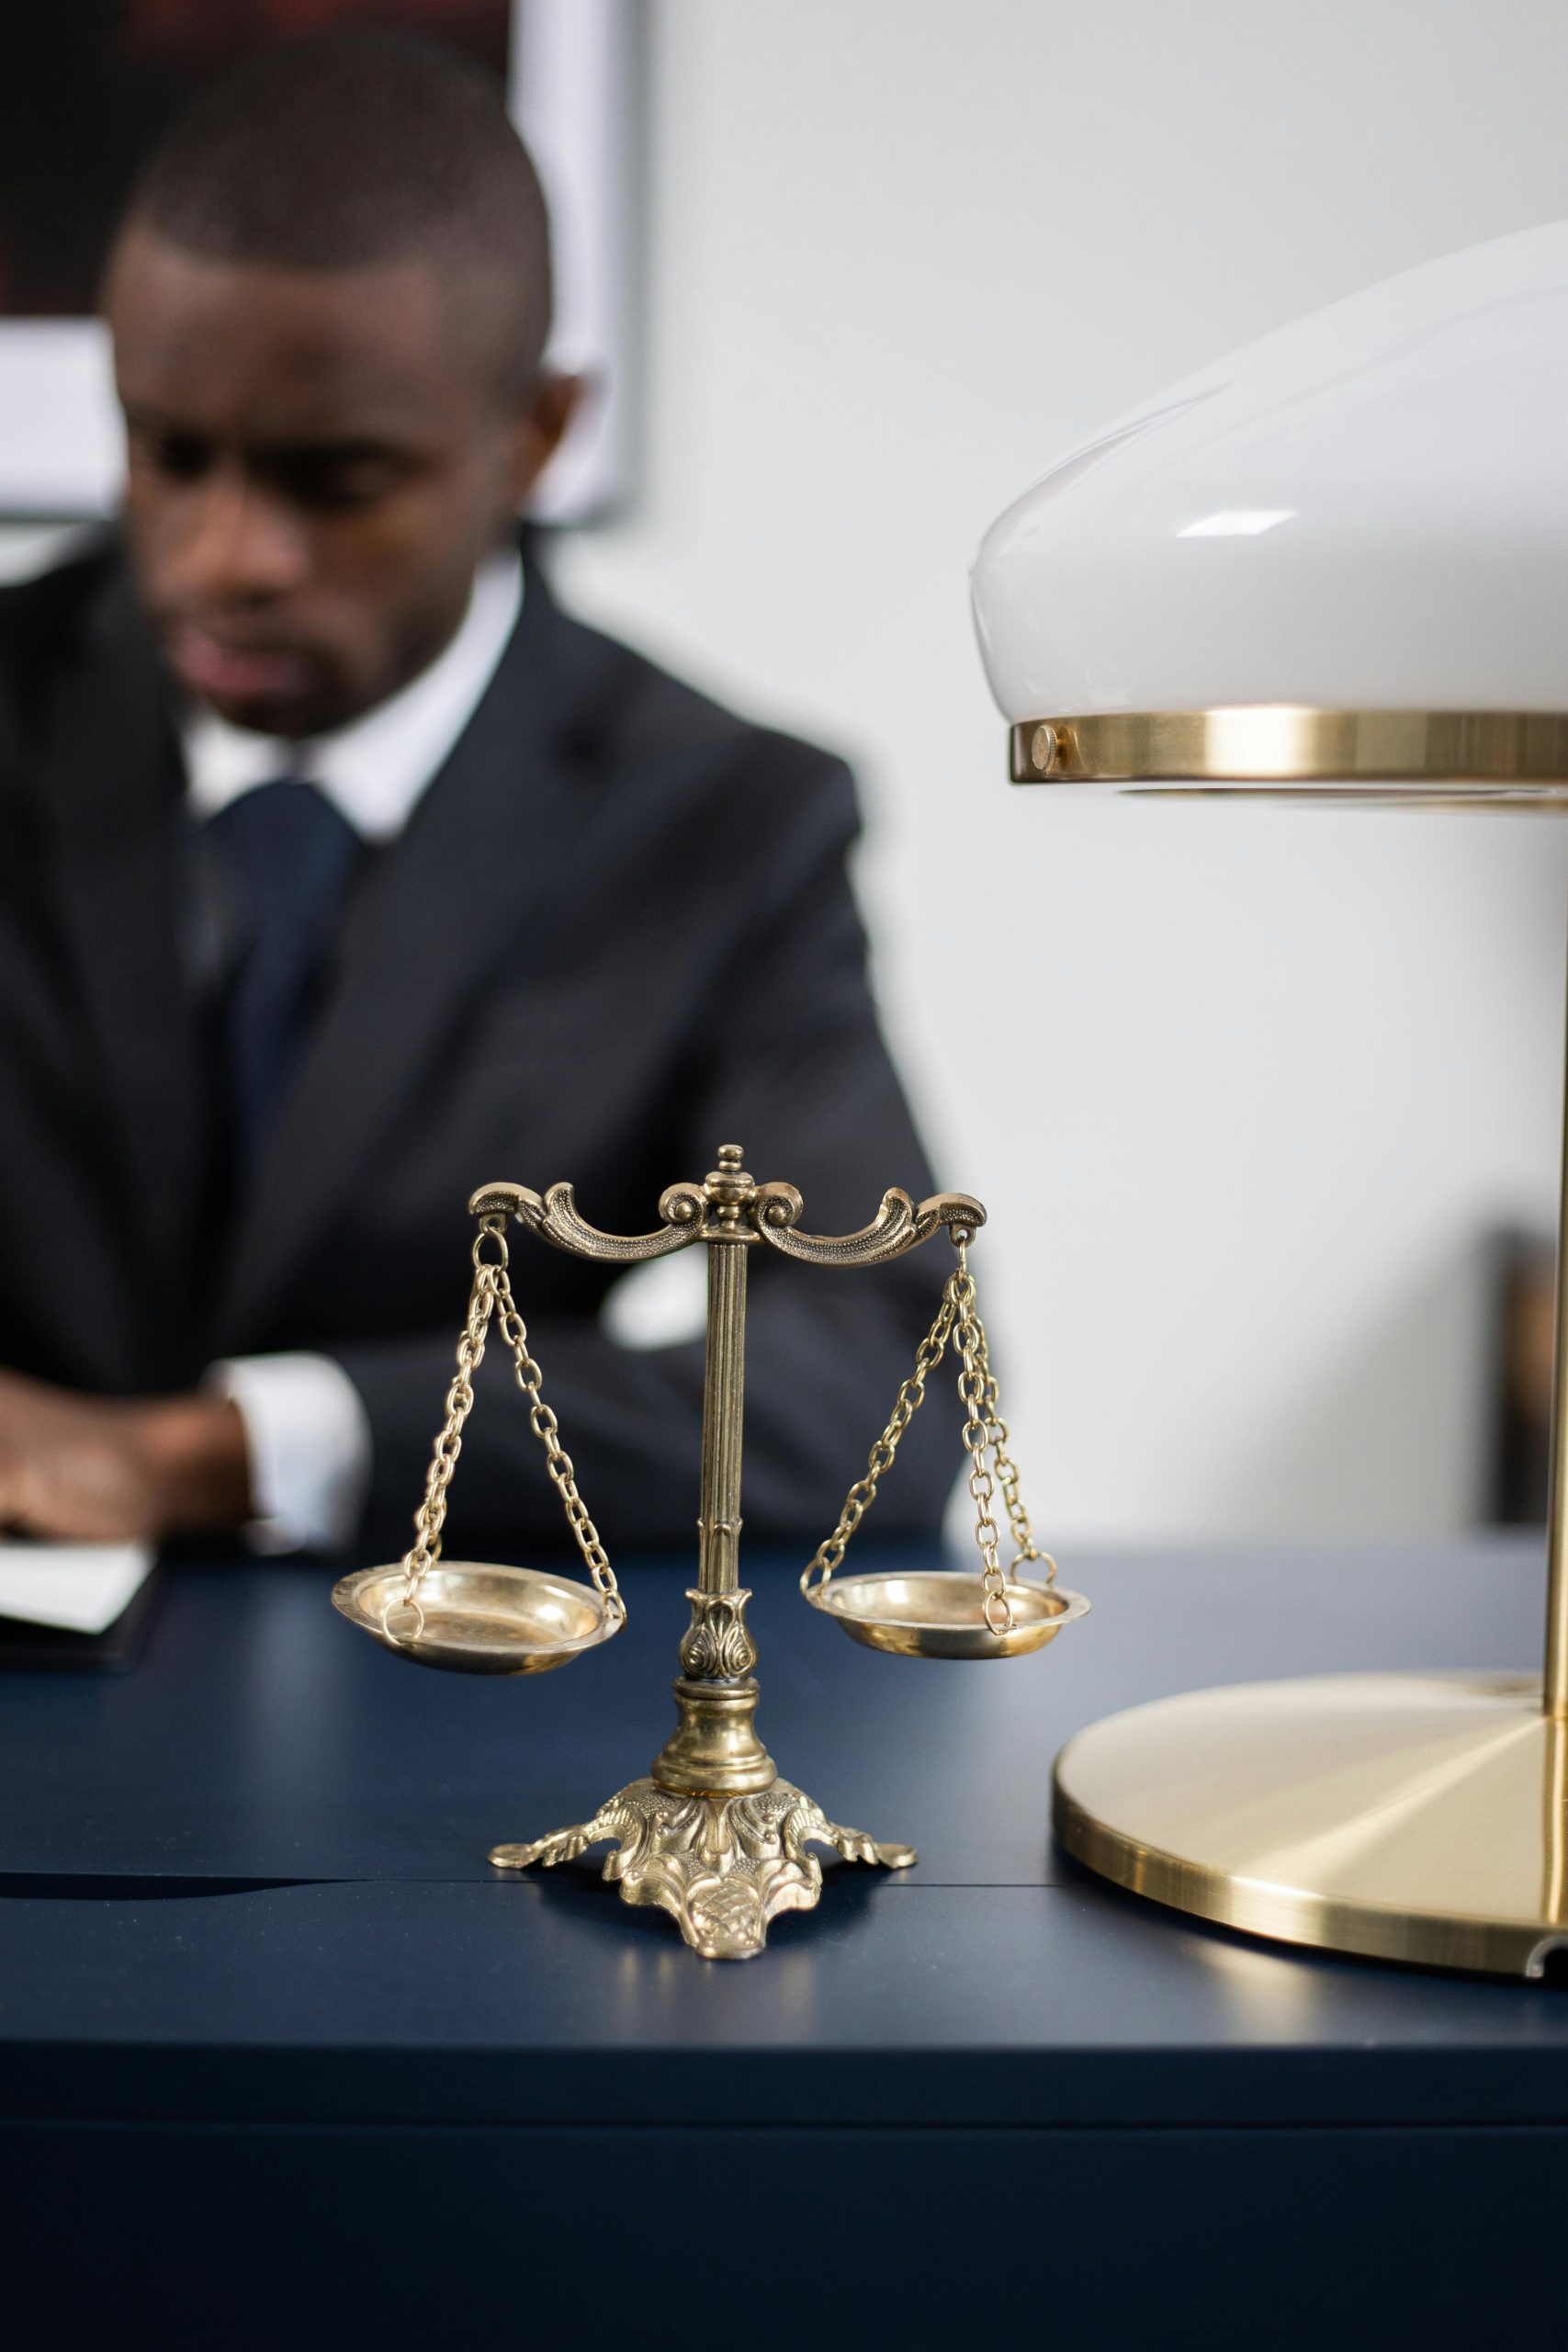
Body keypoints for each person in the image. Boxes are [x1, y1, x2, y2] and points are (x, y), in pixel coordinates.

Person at [0, 28, 954, 1565]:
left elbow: (879, 1380)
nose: (223, 558)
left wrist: (223, 1454)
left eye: (334, 479)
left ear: (536, 435)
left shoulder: (723, 822)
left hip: (439, 1672)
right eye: (168, 454)